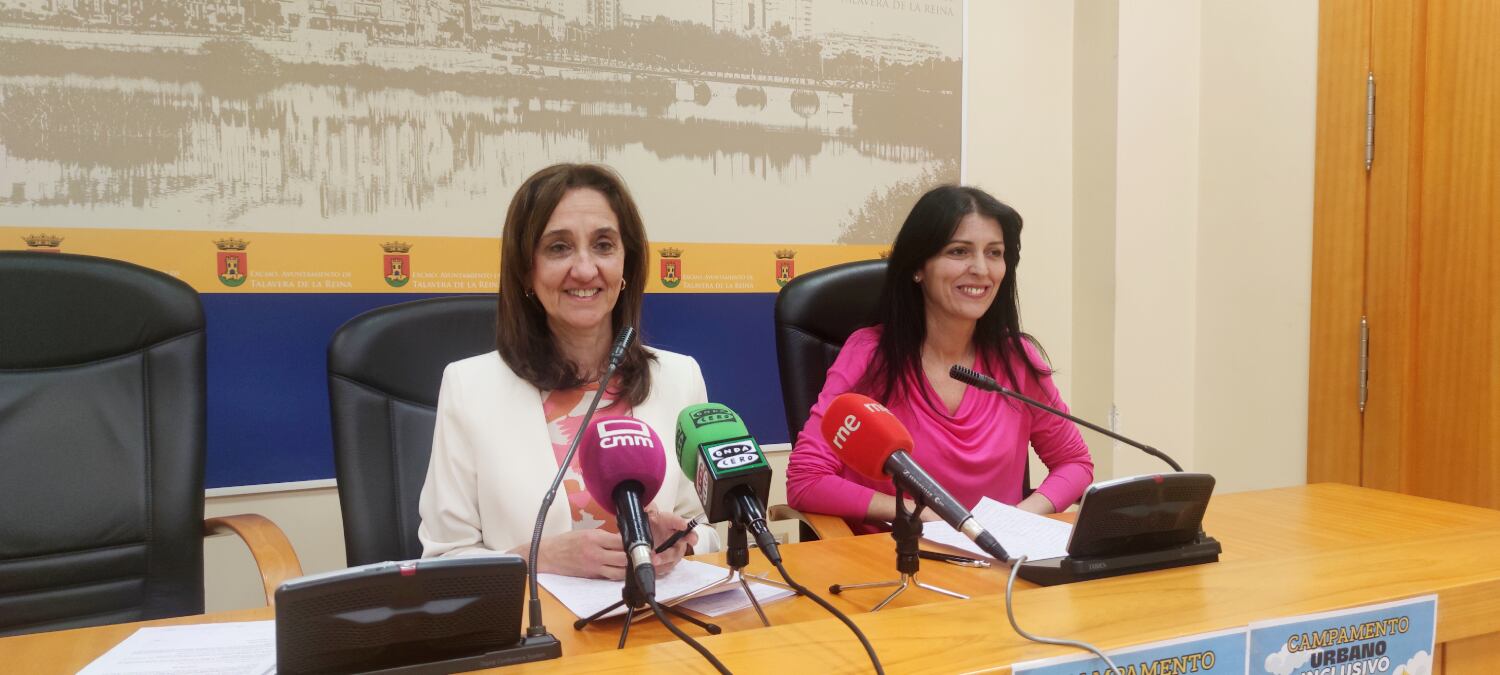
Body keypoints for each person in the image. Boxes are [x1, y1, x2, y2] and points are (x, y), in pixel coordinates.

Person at [418, 163, 717, 579]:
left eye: (604, 245)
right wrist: (539, 558)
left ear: (626, 264)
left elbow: (704, 528)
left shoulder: (679, 377)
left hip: (659, 627)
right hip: (540, 630)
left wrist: (681, 543)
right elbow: (443, 561)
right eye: (558, 247)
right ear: (527, 270)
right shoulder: (469, 387)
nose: (584, 269)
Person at [786, 185, 1094, 532]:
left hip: (994, 565)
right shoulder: (870, 355)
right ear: (919, 266)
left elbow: (1075, 463)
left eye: (994, 253)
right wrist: (922, 511)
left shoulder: (1017, 359)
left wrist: (1019, 517)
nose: (981, 269)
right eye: (959, 251)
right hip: (895, 562)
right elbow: (806, 480)